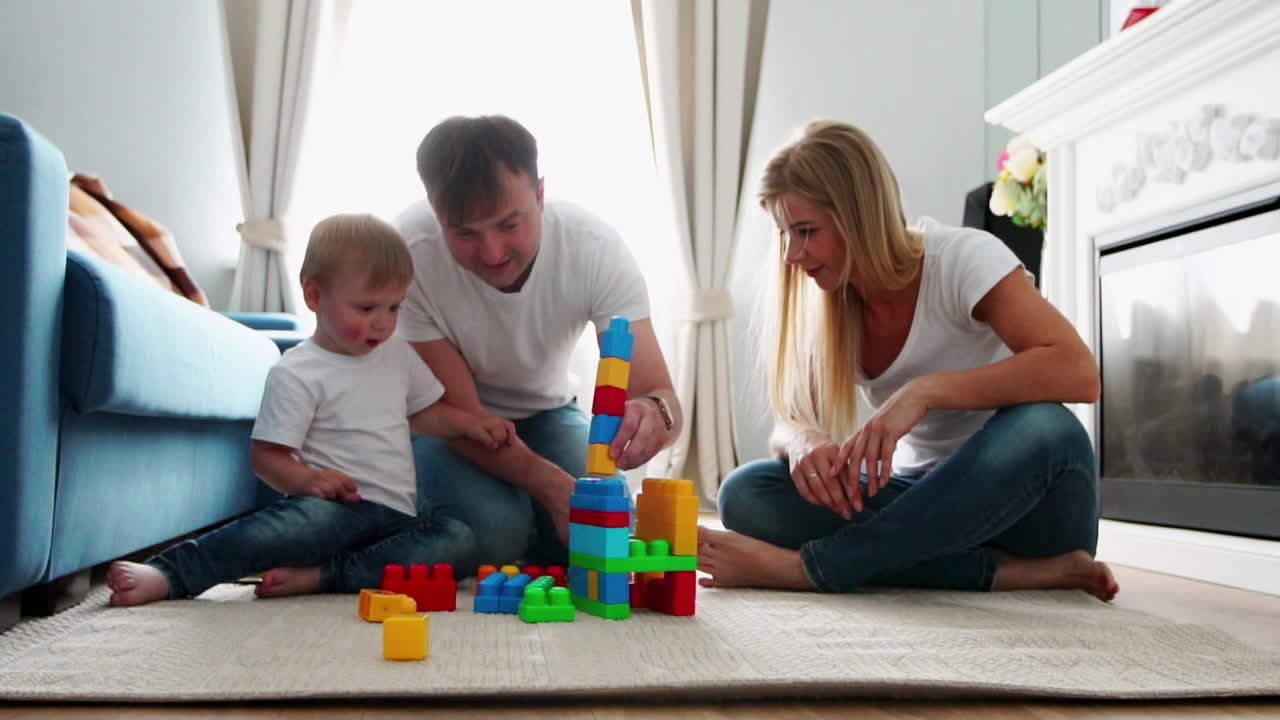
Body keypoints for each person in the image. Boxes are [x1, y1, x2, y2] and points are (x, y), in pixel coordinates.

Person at [697, 120, 1119, 601]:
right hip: (918, 504)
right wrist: (802, 439)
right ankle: (1010, 574)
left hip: (1028, 509)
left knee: (1048, 427)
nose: (793, 254)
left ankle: (813, 570)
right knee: (746, 493)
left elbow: (1080, 373)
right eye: (785, 235)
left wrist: (925, 392)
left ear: (857, 214)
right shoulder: (832, 301)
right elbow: (790, 419)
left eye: (806, 231)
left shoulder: (963, 259)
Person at [106, 214, 512, 606]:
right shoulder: (298, 371)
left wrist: (471, 423)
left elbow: (423, 414)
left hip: (400, 515)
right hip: (336, 510)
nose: (383, 324)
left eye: (394, 307)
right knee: (275, 531)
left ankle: (326, 577)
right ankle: (172, 573)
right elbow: (266, 457)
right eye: (367, 308)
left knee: (459, 539)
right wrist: (309, 480)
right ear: (315, 296)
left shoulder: (398, 355)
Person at [394, 115, 683, 568]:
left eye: (509, 224)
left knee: (608, 518)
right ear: (435, 211)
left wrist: (654, 414)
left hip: (547, 411)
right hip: (452, 425)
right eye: (466, 233)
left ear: (541, 195)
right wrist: (552, 488)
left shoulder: (593, 247)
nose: (492, 253)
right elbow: (464, 418)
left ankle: (530, 525)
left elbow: (661, 396)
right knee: (495, 538)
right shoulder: (407, 254)